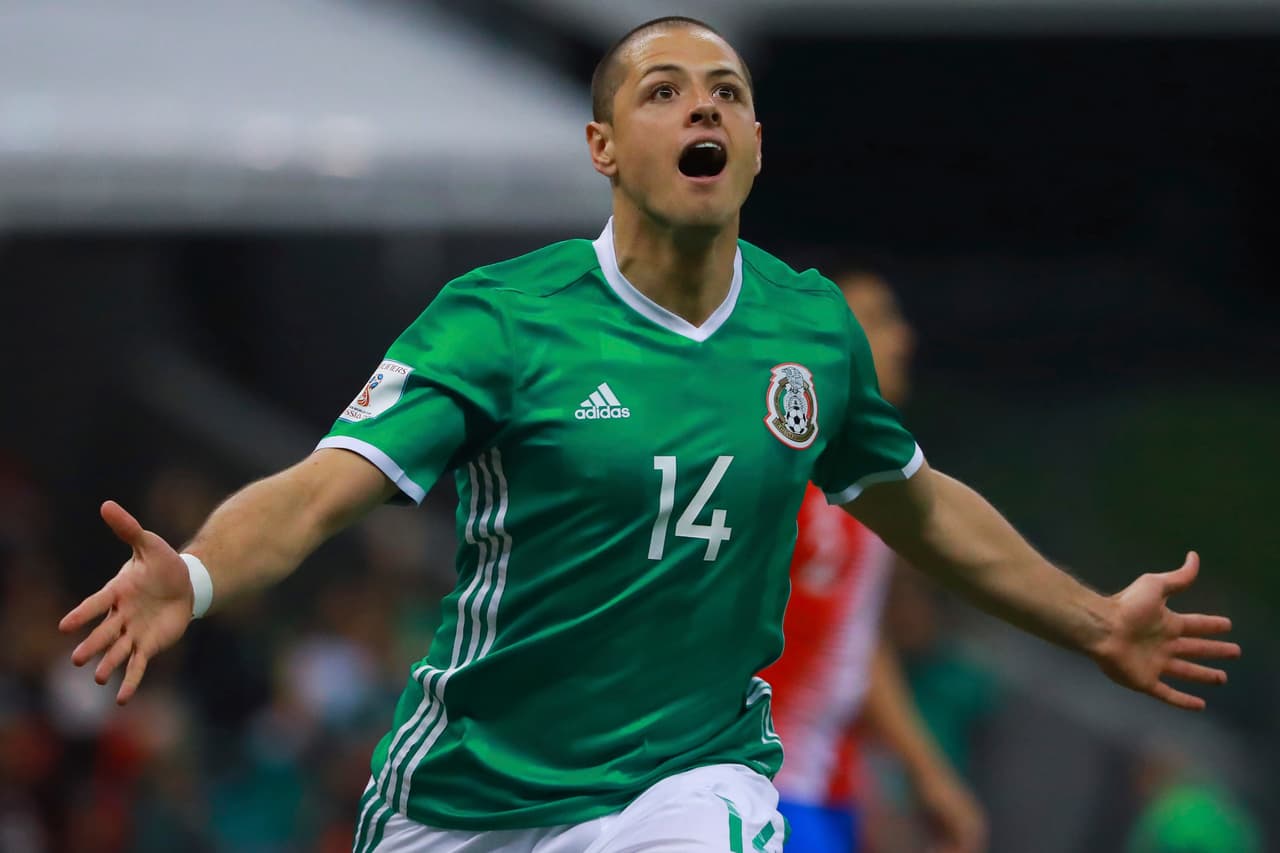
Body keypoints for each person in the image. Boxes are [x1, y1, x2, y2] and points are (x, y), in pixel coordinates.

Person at [59, 16, 1239, 853]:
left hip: (684, 780)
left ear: (755, 147)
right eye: (663, 89)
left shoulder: (807, 332)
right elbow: (319, 492)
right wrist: (203, 576)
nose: (702, 106)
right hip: (468, 795)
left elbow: (918, 502)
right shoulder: (502, 321)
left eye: (725, 90)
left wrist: (1090, 617)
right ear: (604, 150)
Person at [761, 270, 985, 853]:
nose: (903, 338)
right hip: (767, 785)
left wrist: (925, 771)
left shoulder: (865, 482)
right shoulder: (784, 474)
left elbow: (857, 645)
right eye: (880, 319)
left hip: (832, 784)